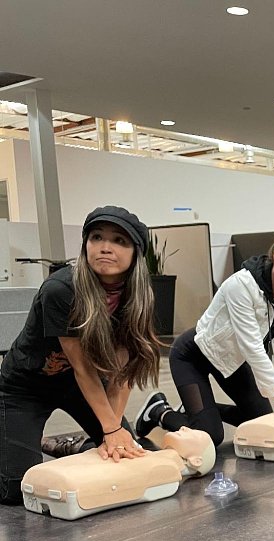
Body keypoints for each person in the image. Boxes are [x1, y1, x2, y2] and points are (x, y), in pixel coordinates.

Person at [0, 206, 160, 505]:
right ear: (85, 243)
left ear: (136, 253)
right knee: (14, 489)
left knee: (123, 454)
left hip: (79, 388)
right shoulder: (61, 289)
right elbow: (83, 367)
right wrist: (109, 428)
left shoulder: (137, 296)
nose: (105, 248)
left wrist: (113, 431)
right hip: (27, 387)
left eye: (119, 241)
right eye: (96, 237)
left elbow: (122, 373)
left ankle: (72, 445)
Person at [136, 220, 274, 447]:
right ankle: (158, 411)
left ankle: (196, 411)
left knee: (264, 421)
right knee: (211, 436)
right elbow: (251, 345)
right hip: (194, 356)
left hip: (232, 360)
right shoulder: (241, 285)